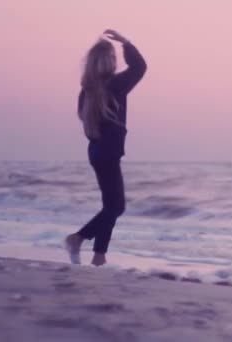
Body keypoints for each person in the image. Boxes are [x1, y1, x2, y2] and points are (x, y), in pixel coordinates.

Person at [65, 29, 147, 266]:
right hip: (109, 153)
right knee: (116, 206)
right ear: (109, 61)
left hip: (97, 153)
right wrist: (126, 43)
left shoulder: (87, 91)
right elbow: (140, 67)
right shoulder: (115, 85)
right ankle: (78, 238)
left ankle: (99, 255)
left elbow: (86, 122)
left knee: (110, 206)